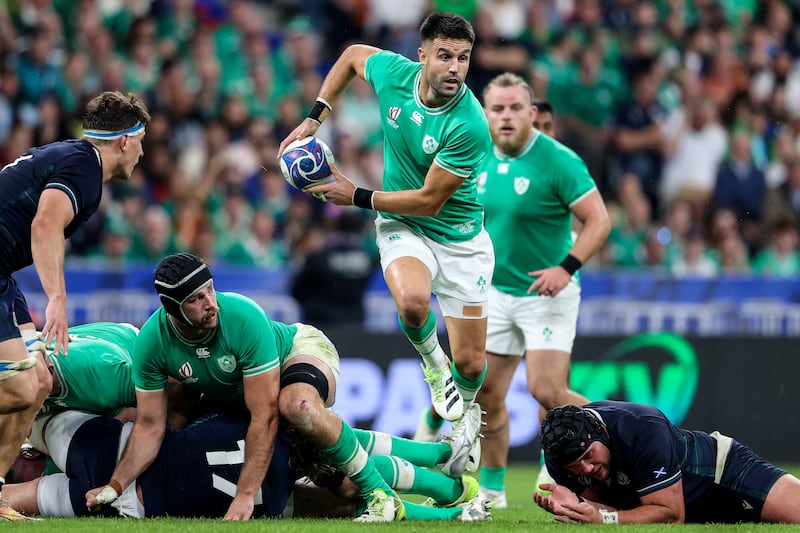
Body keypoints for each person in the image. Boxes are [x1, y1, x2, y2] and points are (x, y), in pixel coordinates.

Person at [85, 253, 481, 522]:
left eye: (210, 290)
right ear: (171, 309)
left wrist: (244, 495)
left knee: (298, 407)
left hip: (299, 351)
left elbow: (267, 411)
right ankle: (447, 472)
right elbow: (154, 425)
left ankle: (383, 496)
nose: (211, 303)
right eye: (196, 299)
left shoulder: (241, 317)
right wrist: (116, 485)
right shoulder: (152, 345)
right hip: (243, 400)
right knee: (326, 472)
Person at [277, 12, 494, 425]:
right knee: (413, 304)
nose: (455, 68)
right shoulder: (394, 73)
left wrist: (355, 195)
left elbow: (430, 201)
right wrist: (314, 117)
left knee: (469, 364)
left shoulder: (470, 123)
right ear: (422, 55)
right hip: (402, 222)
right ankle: (434, 365)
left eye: (463, 58)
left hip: (460, 239)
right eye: (445, 56)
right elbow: (353, 55)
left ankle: (464, 419)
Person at [0, 90, 149, 520]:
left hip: (3, 278)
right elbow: (44, 223)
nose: (142, 152)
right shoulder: (85, 166)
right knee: (23, 386)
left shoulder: (72, 156)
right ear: (124, 140)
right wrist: (58, 299)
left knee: (41, 381)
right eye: (141, 140)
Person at [472, 73, 609, 509]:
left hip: (546, 293)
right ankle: (492, 494)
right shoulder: (472, 151)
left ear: (532, 114)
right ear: (485, 113)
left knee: (547, 391)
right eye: (498, 109)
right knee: (487, 394)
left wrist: (566, 268)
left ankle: (627, 438)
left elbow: (600, 219)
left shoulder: (558, 160)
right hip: (495, 293)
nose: (506, 116)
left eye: (515, 108)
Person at [7, 409, 491, 521]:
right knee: (346, 473)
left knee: (26, 409)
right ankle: (447, 485)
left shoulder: (251, 426)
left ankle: (446, 486)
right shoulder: (280, 498)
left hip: (111, 452)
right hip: (127, 494)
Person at [536, 402, 800, 524]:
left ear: (602, 433)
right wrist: (577, 506)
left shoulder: (642, 427)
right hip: (668, 500)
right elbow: (608, 508)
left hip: (721, 473)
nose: (586, 470)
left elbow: (671, 515)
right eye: (575, 467)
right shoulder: (560, 455)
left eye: (587, 457)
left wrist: (602, 519)